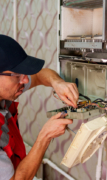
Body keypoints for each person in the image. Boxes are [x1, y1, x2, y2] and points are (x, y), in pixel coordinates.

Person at [0, 34, 79, 180]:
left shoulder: (6, 90)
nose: (25, 79)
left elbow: (41, 75)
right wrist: (45, 137)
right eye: (17, 75)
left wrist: (57, 83)